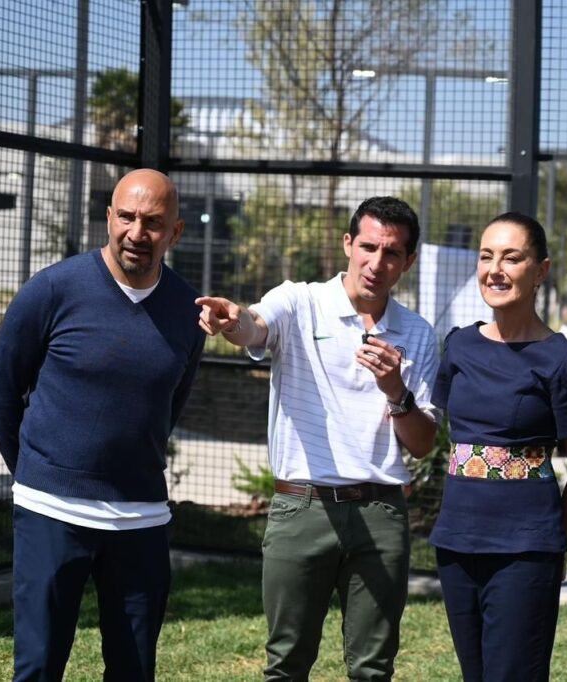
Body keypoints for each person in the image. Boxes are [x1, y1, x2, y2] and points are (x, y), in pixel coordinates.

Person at [195, 196, 440, 681]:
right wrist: (232, 320)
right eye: (368, 247)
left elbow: (421, 442)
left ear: (408, 261)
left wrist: (396, 390)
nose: (377, 263)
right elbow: (254, 327)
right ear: (348, 244)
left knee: (373, 670)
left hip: (381, 512)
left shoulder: (417, 333)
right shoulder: (300, 301)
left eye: (392, 253)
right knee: (286, 664)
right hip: (302, 507)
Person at [0, 169, 206, 681]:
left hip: (141, 518)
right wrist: (37, 474)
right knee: (38, 669)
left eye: (153, 222)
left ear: (175, 232)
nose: (136, 232)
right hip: (51, 510)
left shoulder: (187, 310)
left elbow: (170, 404)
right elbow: (1, 391)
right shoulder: (52, 289)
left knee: (134, 671)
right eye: (126, 216)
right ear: (108, 217)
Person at [431, 212, 567, 681]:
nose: (495, 269)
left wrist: (555, 540)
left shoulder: (565, 362)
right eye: (486, 256)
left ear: (541, 270)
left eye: (511, 257)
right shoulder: (459, 347)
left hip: (525, 549)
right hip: (456, 542)